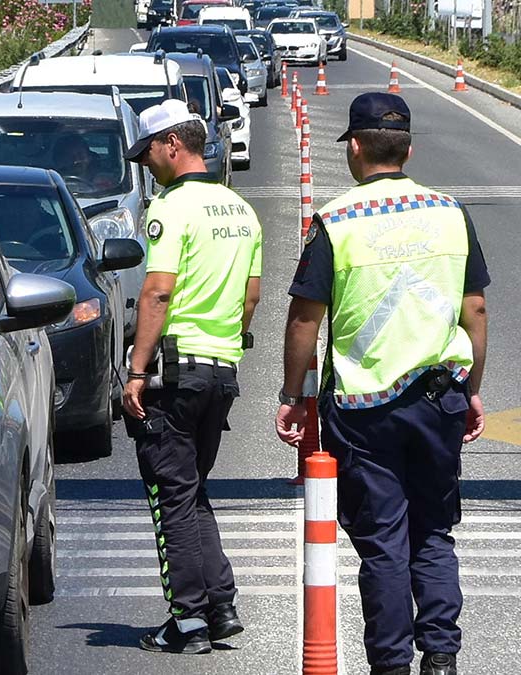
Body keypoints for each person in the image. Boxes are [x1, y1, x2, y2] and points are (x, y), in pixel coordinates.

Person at [276, 93, 489, 675]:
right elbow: (474, 308)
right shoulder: (451, 212)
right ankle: (441, 655)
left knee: (383, 541)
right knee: (434, 531)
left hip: (365, 408)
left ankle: (391, 663)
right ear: (409, 147)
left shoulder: (337, 221)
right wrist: (471, 388)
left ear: (354, 146)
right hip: (440, 396)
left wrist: (294, 396)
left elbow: (304, 318)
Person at [121, 99, 263, 654]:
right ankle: (220, 606)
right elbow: (250, 298)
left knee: (169, 497)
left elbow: (158, 290)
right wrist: (224, 339)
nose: (145, 162)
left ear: (173, 145)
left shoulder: (170, 207)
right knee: (191, 488)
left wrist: (136, 372)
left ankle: (186, 621)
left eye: (149, 151)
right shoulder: (241, 210)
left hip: (173, 376)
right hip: (221, 372)